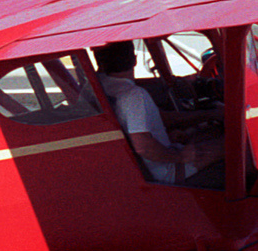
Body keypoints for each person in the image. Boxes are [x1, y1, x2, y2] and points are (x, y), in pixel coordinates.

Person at [93, 42, 222, 186]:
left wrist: (211, 114)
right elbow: (143, 146)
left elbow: (162, 118)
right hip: (166, 171)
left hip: (153, 162)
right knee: (234, 143)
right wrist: (179, 156)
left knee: (211, 132)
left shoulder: (101, 86)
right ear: (135, 59)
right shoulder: (134, 95)